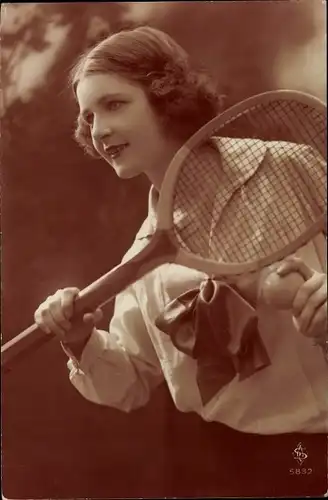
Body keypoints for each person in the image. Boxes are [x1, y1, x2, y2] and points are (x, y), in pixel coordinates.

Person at [34, 25, 327, 494]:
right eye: (88, 116)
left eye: (114, 104)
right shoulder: (143, 260)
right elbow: (130, 382)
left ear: (165, 95)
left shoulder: (289, 166)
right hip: (249, 468)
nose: (98, 129)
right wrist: (80, 339)